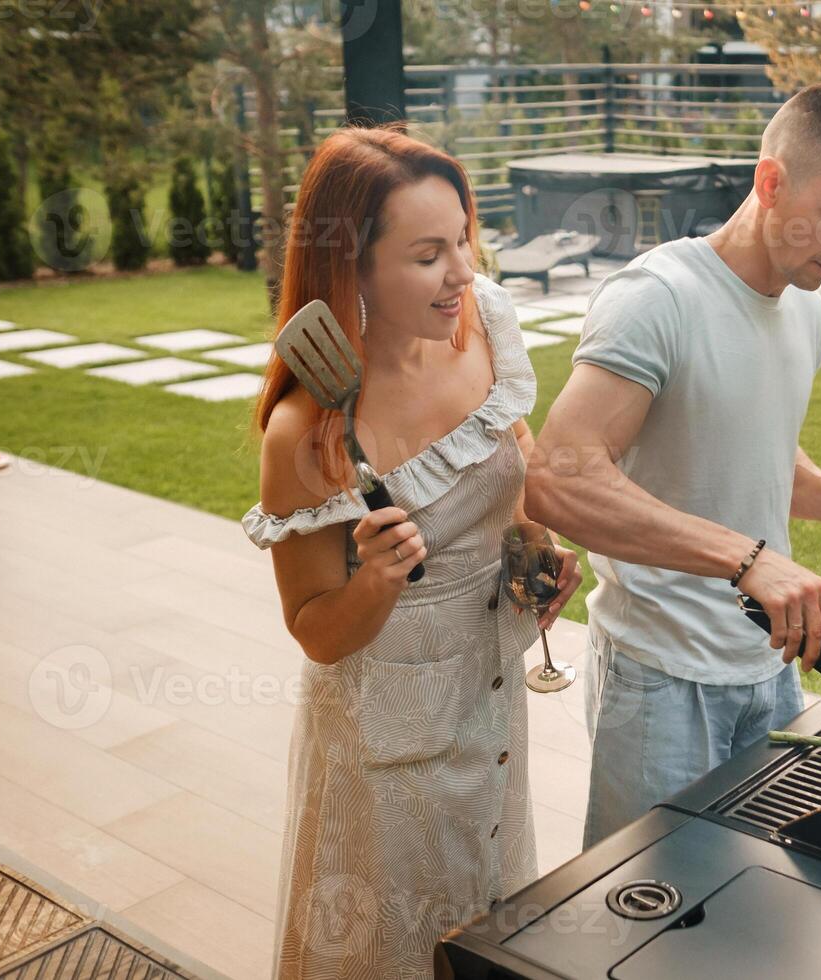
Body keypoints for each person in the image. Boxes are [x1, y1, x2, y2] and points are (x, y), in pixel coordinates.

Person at [524, 82, 821, 847]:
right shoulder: (658, 299)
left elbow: (751, 447)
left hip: (768, 670)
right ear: (770, 182)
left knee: (759, 900)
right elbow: (559, 479)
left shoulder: (805, 305)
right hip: (660, 676)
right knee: (647, 918)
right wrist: (747, 560)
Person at [240, 124, 582, 978]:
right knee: (389, 948)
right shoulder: (307, 436)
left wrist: (535, 545)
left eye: (464, 238)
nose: (463, 272)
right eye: (429, 254)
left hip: (490, 693)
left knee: (489, 928)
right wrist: (379, 580)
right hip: (381, 740)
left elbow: (515, 461)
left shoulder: (485, 325)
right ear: (349, 266)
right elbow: (317, 631)